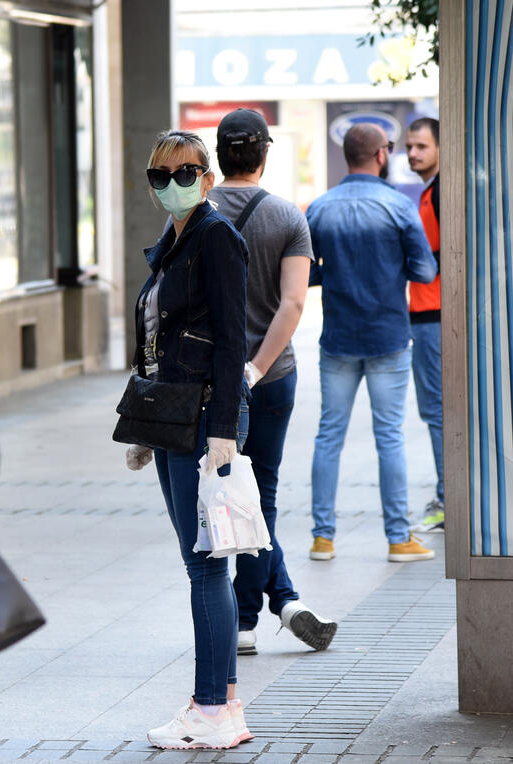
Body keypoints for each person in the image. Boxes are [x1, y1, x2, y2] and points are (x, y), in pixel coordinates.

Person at [124, 129, 252, 750]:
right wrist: (147, 423)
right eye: (159, 175)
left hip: (204, 424)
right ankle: (225, 703)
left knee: (205, 566)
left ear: (207, 178)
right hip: (175, 419)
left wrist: (224, 428)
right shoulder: (175, 244)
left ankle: (207, 709)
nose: (171, 184)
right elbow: (160, 343)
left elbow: (232, 339)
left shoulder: (216, 237)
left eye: (185, 172)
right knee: (207, 565)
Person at [207, 109, 337, 657]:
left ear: (218, 154)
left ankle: (252, 616)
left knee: (222, 492)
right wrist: (256, 369)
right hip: (273, 374)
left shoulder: (195, 213)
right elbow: (294, 302)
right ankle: (267, 607)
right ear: (265, 153)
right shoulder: (287, 216)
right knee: (261, 493)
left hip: (212, 380)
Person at [307, 123, 438, 563]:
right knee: (390, 438)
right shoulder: (399, 207)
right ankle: (398, 539)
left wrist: (335, 274)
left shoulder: (320, 208)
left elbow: (304, 273)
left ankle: (322, 539)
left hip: (338, 338)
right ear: (381, 154)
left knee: (328, 437)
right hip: (389, 338)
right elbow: (423, 272)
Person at [405, 117, 444, 533]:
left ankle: (448, 500)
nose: (413, 153)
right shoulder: (430, 191)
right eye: (410, 146)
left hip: (435, 318)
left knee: (436, 410)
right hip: (429, 315)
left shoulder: (441, 192)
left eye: (422, 146)